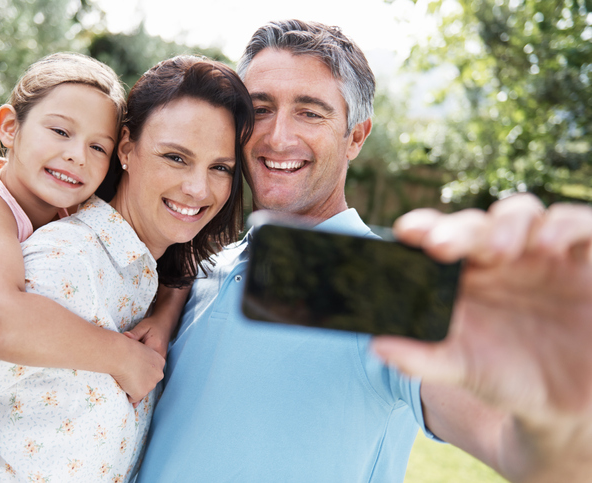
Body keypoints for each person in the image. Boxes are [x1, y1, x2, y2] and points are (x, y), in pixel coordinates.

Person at [134, 20, 592, 482]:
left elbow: (516, 449)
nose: (277, 136)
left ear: (356, 136)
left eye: (311, 112)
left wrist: (559, 410)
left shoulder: (382, 288)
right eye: (261, 109)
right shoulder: (208, 267)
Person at [0, 55, 254, 482]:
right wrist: (125, 356)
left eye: (220, 168)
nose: (198, 187)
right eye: (176, 157)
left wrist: (164, 317)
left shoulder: (101, 239)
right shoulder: (39, 247)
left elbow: (177, 259)